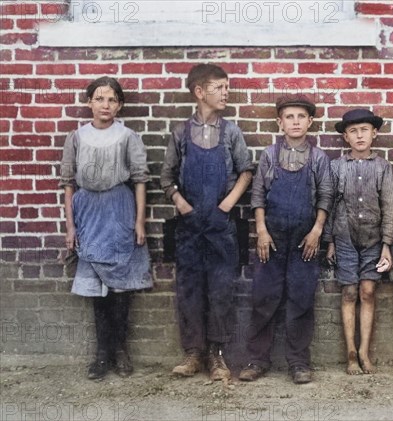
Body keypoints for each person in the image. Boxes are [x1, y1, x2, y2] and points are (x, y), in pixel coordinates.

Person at [160, 64, 253, 380]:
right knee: (189, 290)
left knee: (221, 290)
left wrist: (228, 203)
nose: (225, 92)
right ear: (199, 92)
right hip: (189, 228)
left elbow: (246, 171)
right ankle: (193, 354)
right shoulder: (180, 133)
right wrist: (181, 203)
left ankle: (217, 356)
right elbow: (166, 176)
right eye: (219, 87)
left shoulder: (231, 132)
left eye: (227, 86)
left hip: (220, 227)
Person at [59, 76, 152, 380]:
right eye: (99, 99)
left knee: (120, 284)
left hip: (119, 209)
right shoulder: (77, 137)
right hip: (88, 212)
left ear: (119, 105)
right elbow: (69, 184)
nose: (105, 105)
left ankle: (121, 351)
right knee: (97, 286)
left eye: (112, 100)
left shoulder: (127, 136)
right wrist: (71, 226)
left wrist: (138, 221)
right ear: (89, 103)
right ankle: (101, 354)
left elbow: (139, 179)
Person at [239, 94, 333, 384]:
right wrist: (262, 231)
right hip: (274, 238)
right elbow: (257, 196)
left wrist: (317, 231)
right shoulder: (269, 155)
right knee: (264, 297)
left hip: (306, 239)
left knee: (301, 299)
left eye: (301, 117)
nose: (295, 122)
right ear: (280, 122)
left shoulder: (318, 158)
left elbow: (326, 196)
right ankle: (257, 359)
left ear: (310, 121)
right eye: (289, 117)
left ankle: (298, 362)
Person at [323, 109, 393, 375]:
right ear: (345, 136)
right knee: (349, 292)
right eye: (353, 131)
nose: (359, 136)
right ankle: (350, 354)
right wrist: (330, 240)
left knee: (367, 292)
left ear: (374, 133)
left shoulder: (382, 167)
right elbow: (329, 205)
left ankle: (365, 351)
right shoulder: (336, 167)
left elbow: (390, 207)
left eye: (364, 130)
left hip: (373, 239)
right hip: (344, 238)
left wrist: (386, 244)